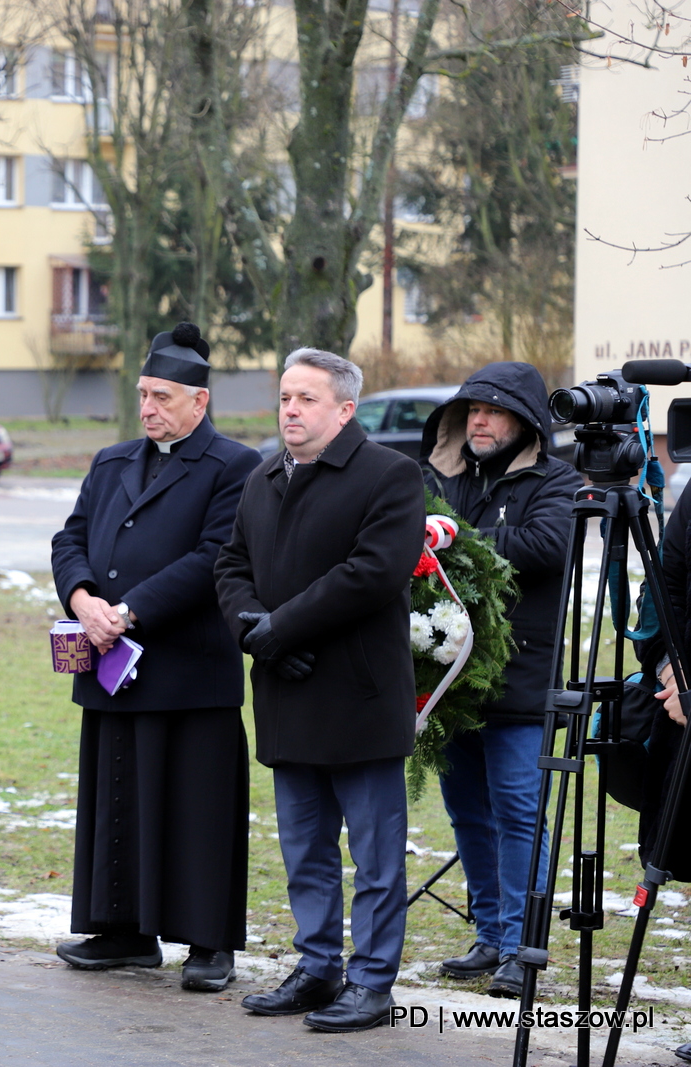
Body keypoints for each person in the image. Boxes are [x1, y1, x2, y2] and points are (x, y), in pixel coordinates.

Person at [215, 348, 424, 1033]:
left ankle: (370, 980)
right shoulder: (263, 475)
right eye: (284, 398)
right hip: (287, 692)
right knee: (305, 850)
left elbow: (372, 572)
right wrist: (255, 630)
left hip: (357, 697)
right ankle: (316, 966)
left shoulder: (389, 475)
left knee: (374, 854)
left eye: (306, 398)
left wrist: (283, 626)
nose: (290, 411)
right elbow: (231, 562)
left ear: (344, 409)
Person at [49, 323, 260, 989]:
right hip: (113, 668)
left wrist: (128, 610)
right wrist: (83, 598)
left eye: (162, 397)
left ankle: (208, 943)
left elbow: (213, 557)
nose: (148, 408)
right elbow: (70, 536)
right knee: (117, 799)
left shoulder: (234, 466)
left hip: (190, 668)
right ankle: (123, 932)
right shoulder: (113, 461)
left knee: (197, 809)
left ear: (199, 402)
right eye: (143, 395)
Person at [418, 362, 581, 997]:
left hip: (521, 682)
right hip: (450, 683)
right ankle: (490, 935)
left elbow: (546, 546)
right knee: (468, 813)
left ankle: (522, 947)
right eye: (470, 412)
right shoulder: (445, 479)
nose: (478, 422)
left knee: (518, 813)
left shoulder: (558, 481)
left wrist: (454, 539)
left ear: (527, 423)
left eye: (493, 411)